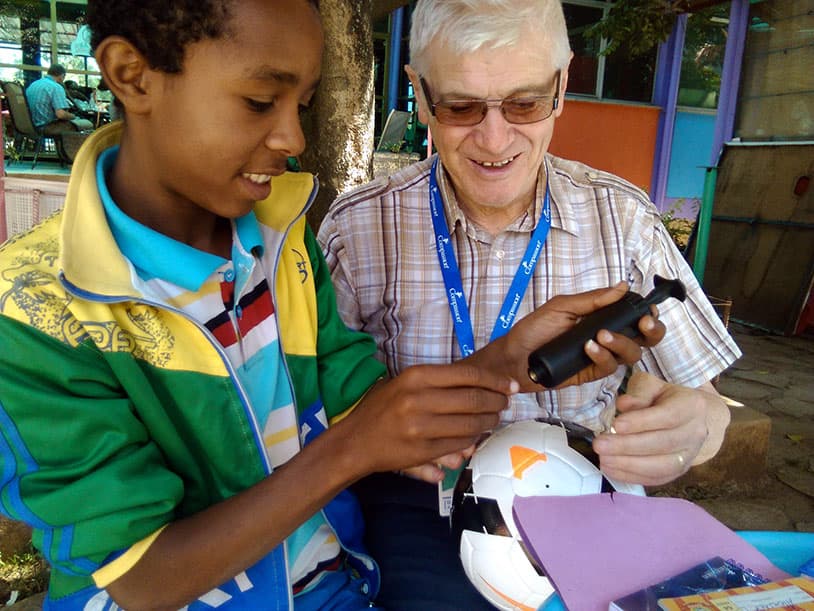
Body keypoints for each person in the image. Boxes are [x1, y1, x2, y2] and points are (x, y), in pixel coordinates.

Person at [0, 1, 662, 609]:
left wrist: (511, 359)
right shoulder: (38, 311)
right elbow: (142, 574)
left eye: (305, 102)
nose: (292, 137)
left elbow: (367, 410)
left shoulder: (283, 241)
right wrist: (350, 450)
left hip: (342, 586)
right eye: (261, 101)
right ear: (132, 75)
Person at [317, 0, 741, 608]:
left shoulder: (622, 220)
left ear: (563, 85)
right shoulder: (358, 230)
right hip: (415, 511)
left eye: (524, 103)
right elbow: (308, 413)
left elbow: (709, 402)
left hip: (585, 501)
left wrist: (695, 425)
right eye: (460, 106)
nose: (494, 139)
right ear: (417, 91)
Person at [25, 64, 94, 135]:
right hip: (46, 127)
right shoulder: (56, 87)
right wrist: (74, 116)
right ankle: (74, 146)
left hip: (30, 126)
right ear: (62, 76)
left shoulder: (33, 85)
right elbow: (61, 114)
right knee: (88, 124)